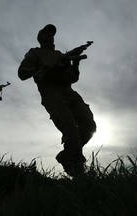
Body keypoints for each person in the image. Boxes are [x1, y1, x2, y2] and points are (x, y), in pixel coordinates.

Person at [18, 24, 96, 176]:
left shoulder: (61, 55)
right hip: (51, 92)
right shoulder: (35, 53)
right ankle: (78, 172)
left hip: (69, 91)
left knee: (89, 126)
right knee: (70, 128)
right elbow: (22, 74)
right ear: (40, 37)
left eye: (52, 33)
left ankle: (66, 155)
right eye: (47, 33)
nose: (50, 36)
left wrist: (75, 62)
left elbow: (73, 78)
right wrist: (47, 67)